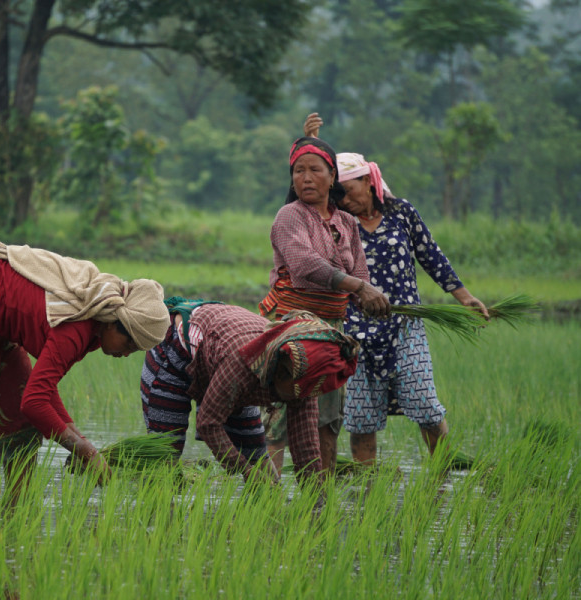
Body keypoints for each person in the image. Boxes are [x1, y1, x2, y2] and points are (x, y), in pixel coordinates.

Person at [0, 237, 171, 489]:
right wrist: (84, 450)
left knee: (20, 420)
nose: (126, 354)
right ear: (114, 323)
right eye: (129, 345)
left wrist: (82, 442)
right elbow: (36, 401)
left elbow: (42, 391)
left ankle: (18, 512)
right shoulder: (76, 328)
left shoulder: (94, 327)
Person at [303, 112, 489, 465]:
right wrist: (310, 144)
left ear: (369, 181)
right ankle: (367, 491)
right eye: (337, 194)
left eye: (349, 189)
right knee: (361, 420)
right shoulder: (336, 223)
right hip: (355, 335)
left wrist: (463, 296)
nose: (344, 199)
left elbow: (430, 255)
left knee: (426, 405)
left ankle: (444, 474)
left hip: (405, 327)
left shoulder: (402, 213)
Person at [259, 135, 390, 474]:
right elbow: (306, 267)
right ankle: (266, 497)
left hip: (332, 331)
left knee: (328, 419)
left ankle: (320, 501)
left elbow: (359, 271)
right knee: (278, 416)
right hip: (291, 327)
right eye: (298, 171)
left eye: (314, 170)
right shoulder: (289, 216)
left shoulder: (346, 223)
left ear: (332, 176)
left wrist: (371, 299)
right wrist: (361, 288)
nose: (305, 177)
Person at [150, 303, 360, 485]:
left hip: (223, 361)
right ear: (280, 370)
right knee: (163, 460)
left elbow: (305, 446)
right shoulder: (243, 365)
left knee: (265, 476)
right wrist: (245, 470)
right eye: (297, 390)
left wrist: (317, 500)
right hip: (177, 350)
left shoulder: (305, 382)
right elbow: (208, 422)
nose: (301, 398)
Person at [140, 297, 267, 466]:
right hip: (174, 352)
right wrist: (242, 467)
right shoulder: (240, 364)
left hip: (220, 353)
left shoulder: (293, 375)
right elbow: (208, 423)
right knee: (164, 456)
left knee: (255, 453)